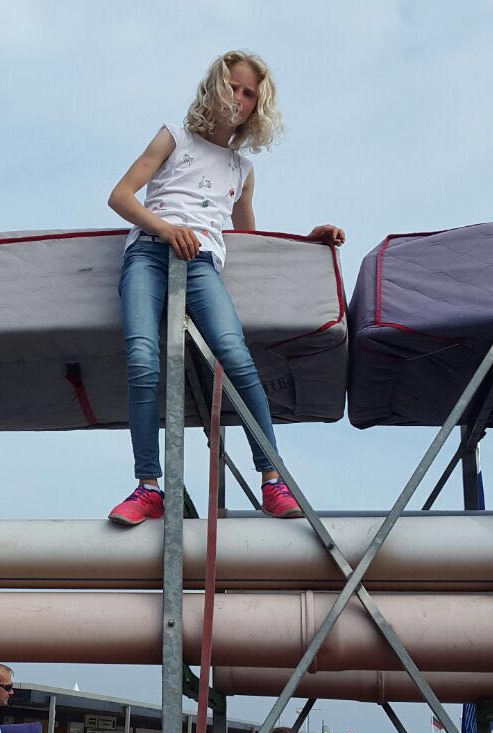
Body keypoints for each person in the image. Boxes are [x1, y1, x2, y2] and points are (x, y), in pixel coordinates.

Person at [104, 50, 345, 526]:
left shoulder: (242, 169)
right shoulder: (174, 137)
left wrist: (306, 242)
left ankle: (273, 480)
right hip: (148, 253)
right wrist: (166, 229)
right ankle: (148, 487)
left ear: (257, 106)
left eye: (249, 93)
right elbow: (120, 196)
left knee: (235, 356)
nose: (238, 97)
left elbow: (250, 240)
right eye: (232, 86)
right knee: (142, 359)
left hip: (201, 265)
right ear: (213, 87)